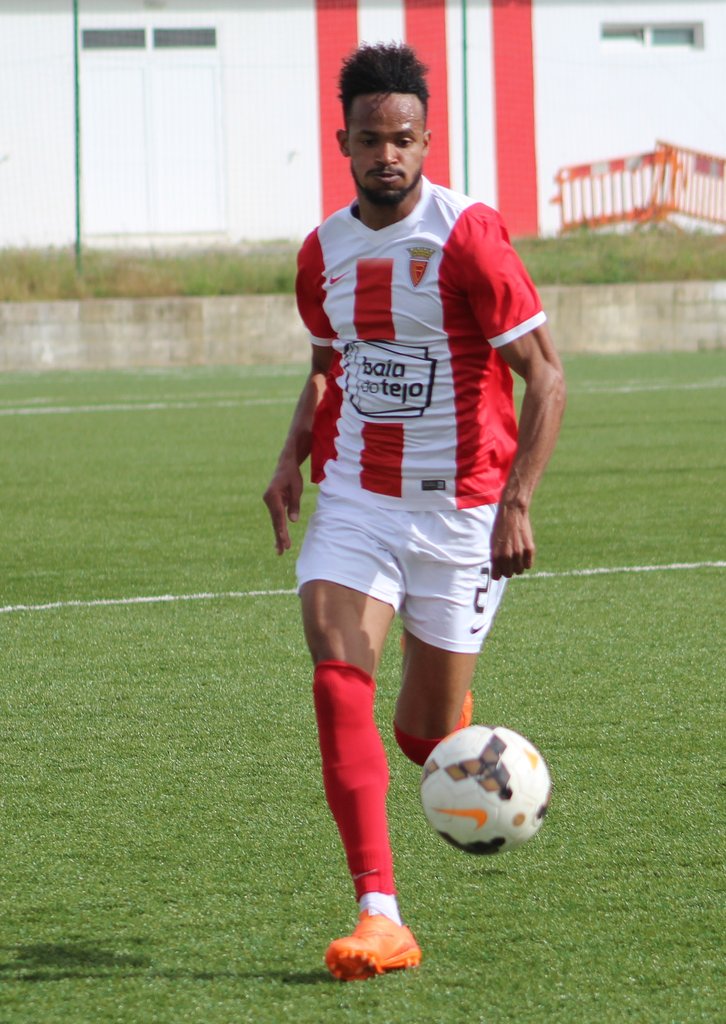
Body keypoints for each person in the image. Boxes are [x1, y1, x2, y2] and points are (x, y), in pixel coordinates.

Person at [263, 42, 566, 982]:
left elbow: (547, 375)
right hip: (357, 498)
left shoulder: (469, 236)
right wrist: (290, 457)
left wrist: (517, 501)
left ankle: (446, 719)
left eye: (403, 139)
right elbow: (329, 367)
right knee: (336, 680)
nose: (387, 154)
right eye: (370, 140)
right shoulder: (322, 251)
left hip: (462, 514)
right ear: (344, 143)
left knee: (425, 740)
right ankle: (380, 912)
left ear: (426, 140)